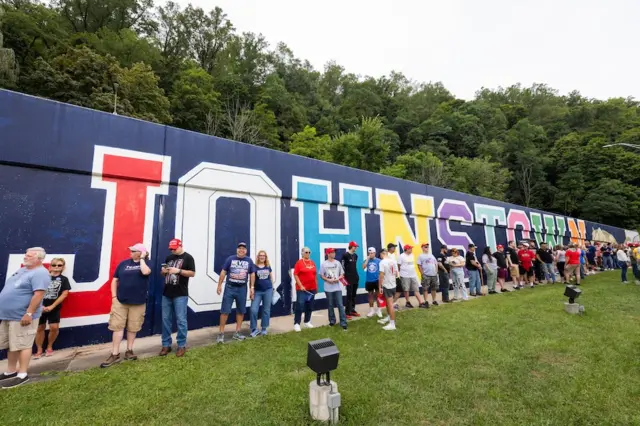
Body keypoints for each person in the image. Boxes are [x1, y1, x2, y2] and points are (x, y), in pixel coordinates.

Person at [0, 247, 49, 388]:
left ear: (39, 259)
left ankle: (22, 374)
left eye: (29, 256)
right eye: (25, 255)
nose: (25, 257)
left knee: (23, 344)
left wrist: (29, 313)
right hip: (9, 316)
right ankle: (11, 371)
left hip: (22, 316)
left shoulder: (40, 273)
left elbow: (38, 295)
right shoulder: (23, 270)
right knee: (11, 345)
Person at [101, 243, 152, 368]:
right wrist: (114, 297)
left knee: (133, 327)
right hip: (120, 301)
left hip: (138, 302)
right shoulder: (123, 264)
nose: (130, 252)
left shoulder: (146, 264)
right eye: (131, 250)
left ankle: (129, 351)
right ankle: (115, 354)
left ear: (141, 253)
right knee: (117, 327)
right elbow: (114, 280)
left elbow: (146, 272)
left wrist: (142, 259)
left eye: (134, 250)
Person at [160, 238, 195, 357]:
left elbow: (192, 273)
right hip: (167, 292)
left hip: (180, 293)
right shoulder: (169, 258)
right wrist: (164, 271)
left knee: (181, 320)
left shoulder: (188, 257)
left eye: (174, 249)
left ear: (180, 246)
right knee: (165, 320)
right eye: (171, 249)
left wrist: (178, 270)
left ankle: (181, 345)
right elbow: (163, 274)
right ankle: (166, 345)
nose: (172, 251)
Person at [216, 242, 256, 343]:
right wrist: (219, 285)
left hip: (242, 289)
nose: (241, 250)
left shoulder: (249, 261)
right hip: (230, 288)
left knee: (241, 311)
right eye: (239, 248)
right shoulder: (230, 259)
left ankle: (237, 332)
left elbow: (252, 274)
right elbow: (223, 272)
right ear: (237, 250)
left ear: (246, 251)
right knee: (225, 311)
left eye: (243, 248)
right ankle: (221, 333)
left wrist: (252, 287)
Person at [34, 258, 71, 359]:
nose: (56, 267)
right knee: (39, 328)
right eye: (54, 265)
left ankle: (49, 347)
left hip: (54, 308)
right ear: (50, 266)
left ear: (63, 267)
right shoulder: (42, 278)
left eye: (59, 265)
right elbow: (35, 292)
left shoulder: (64, 279)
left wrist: (52, 306)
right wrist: (40, 306)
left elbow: (64, 294)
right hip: (39, 307)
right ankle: (39, 349)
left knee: (54, 328)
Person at [320, 248, 347, 330]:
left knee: (340, 305)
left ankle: (343, 323)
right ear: (328, 254)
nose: (334, 253)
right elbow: (321, 275)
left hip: (337, 287)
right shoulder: (324, 264)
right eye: (332, 252)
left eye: (334, 252)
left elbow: (342, 274)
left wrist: (338, 278)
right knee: (330, 305)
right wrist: (328, 280)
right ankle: (332, 321)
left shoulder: (337, 263)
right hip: (328, 288)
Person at [250, 250, 275, 337]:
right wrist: (252, 288)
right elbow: (252, 278)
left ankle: (264, 328)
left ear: (265, 257)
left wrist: (272, 287)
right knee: (253, 309)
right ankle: (254, 329)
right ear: (258, 257)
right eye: (260, 255)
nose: (262, 257)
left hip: (268, 290)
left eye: (263, 256)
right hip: (257, 291)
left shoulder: (268, 266)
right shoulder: (254, 266)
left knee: (266, 310)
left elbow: (271, 277)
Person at [293, 247, 318, 332]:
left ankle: (307, 321)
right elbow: (295, 274)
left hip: (312, 288)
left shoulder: (312, 262)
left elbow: (315, 275)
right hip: (302, 289)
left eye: (309, 252)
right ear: (302, 253)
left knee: (310, 306)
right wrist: (300, 285)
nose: (308, 254)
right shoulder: (299, 263)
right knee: (299, 306)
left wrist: (316, 287)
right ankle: (297, 323)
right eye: (306, 252)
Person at [377, 248, 398, 330]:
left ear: (382, 254)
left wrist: (380, 286)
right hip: (393, 284)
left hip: (387, 285)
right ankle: (389, 317)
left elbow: (381, 276)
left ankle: (392, 324)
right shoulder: (393, 261)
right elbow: (396, 273)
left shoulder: (382, 262)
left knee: (390, 304)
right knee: (388, 303)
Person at [341, 241, 360, 318]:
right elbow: (342, 266)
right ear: (351, 246)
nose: (356, 248)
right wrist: (344, 277)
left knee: (354, 295)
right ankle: (347, 312)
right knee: (349, 295)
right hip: (348, 278)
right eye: (355, 247)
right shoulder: (345, 255)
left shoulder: (355, 255)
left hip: (355, 277)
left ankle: (352, 310)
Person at [362, 247, 382, 317]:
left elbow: (381, 271)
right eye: (369, 253)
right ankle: (371, 310)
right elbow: (363, 267)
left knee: (378, 296)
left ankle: (379, 310)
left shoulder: (379, 261)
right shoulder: (367, 260)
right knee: (370, 296)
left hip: (376, 280)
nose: (370, 254)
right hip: (369, 281)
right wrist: (367, 259)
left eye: (372, 253)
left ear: (375, 253)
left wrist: (380, 281)